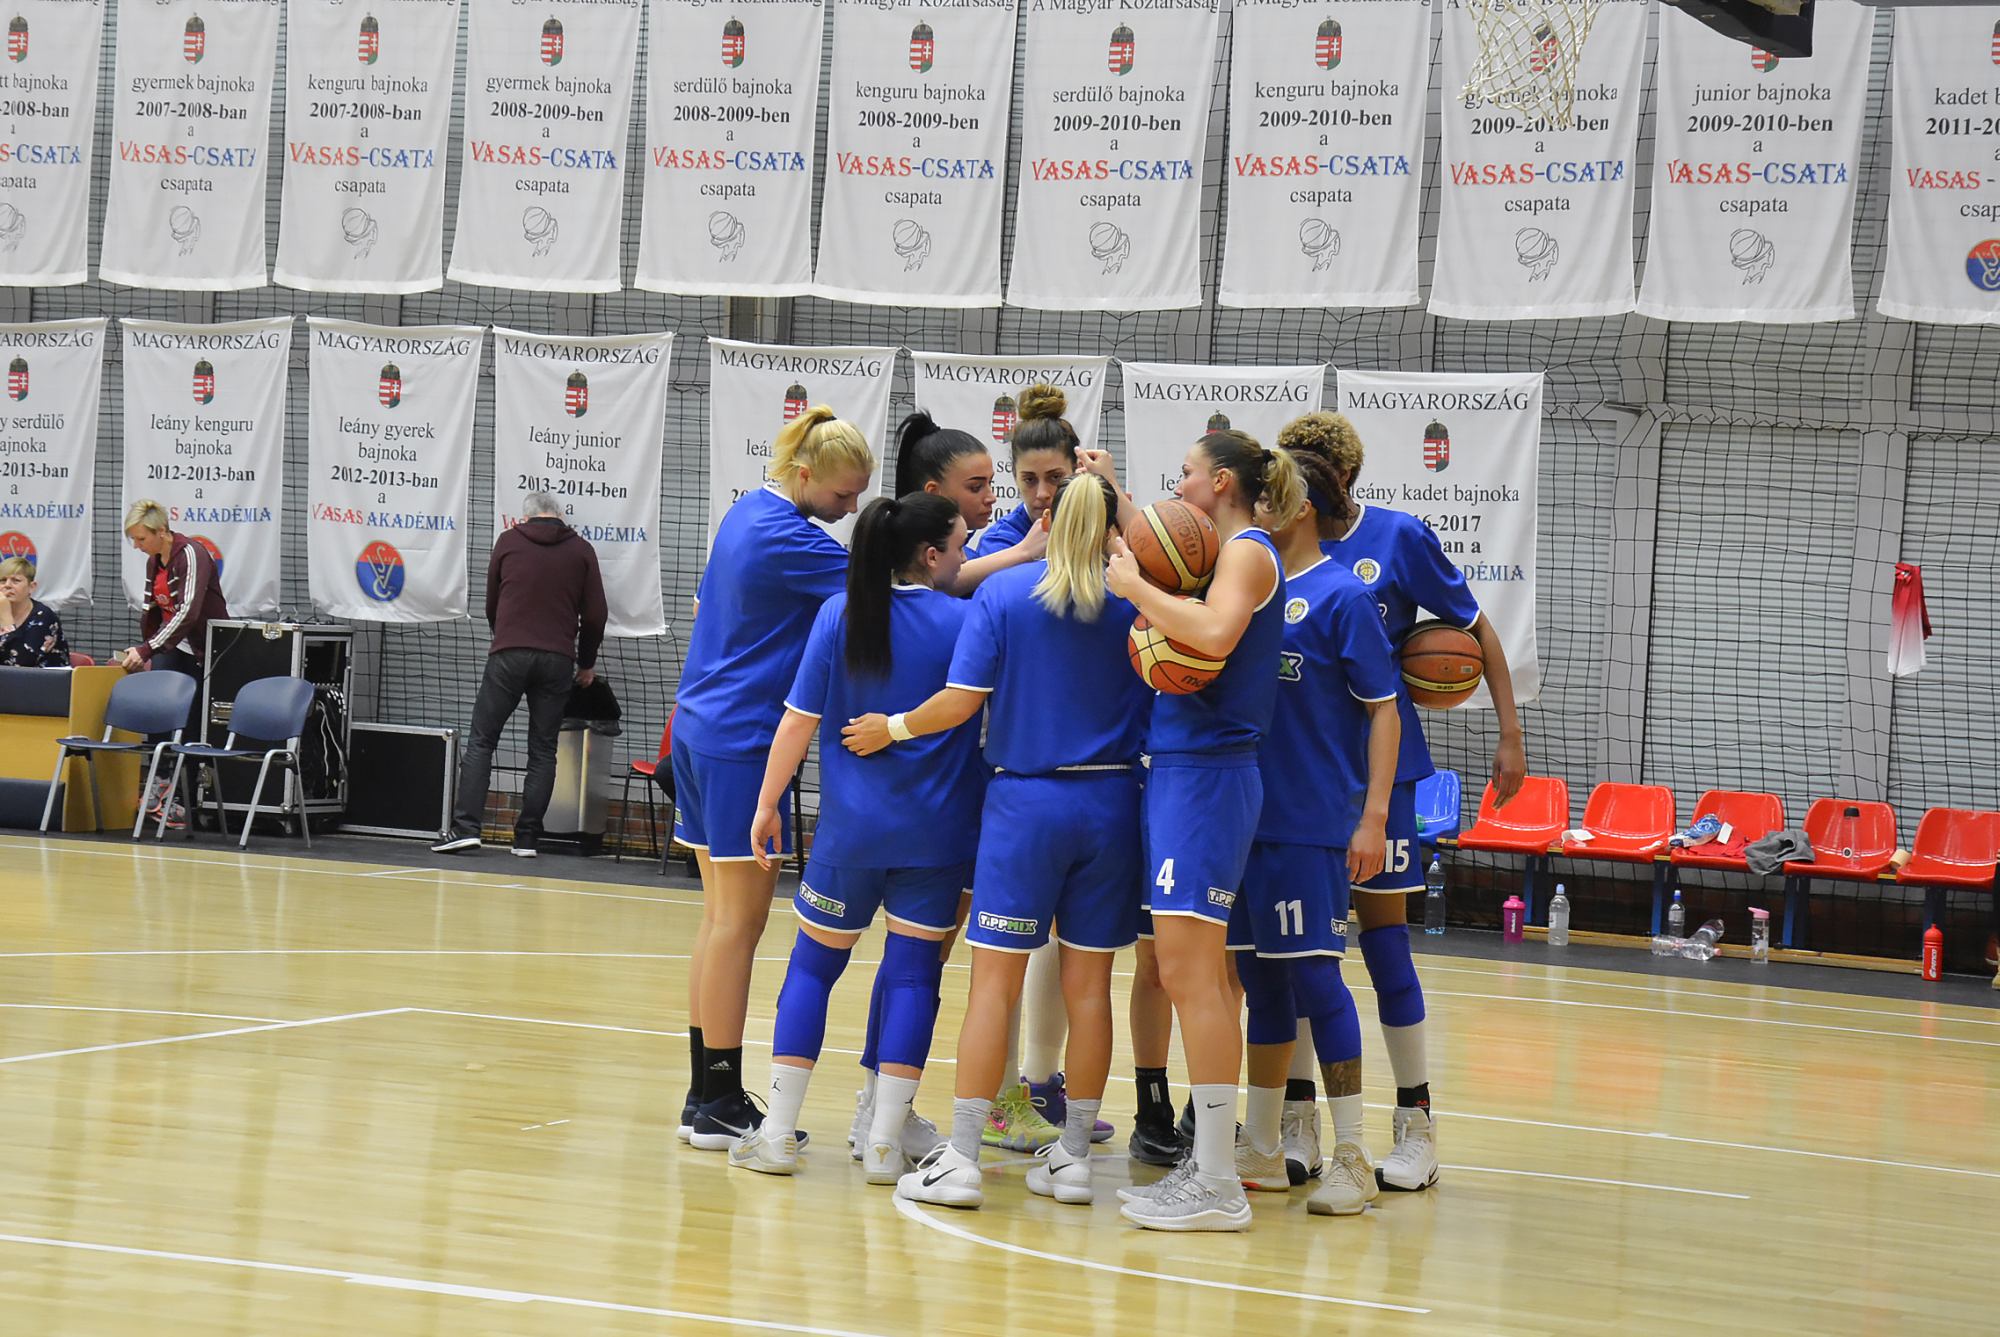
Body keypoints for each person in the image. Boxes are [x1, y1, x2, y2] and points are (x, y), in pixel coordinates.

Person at [843, 474, 1150, 1210]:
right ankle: (1074, 1160)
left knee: (994, 986)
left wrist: (893, 726)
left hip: (1025, 807)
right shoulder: (1138, 604)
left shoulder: (1005, 595)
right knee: (1090, 991)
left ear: (1046, 520)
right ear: (1112, 528)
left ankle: (963, 1158)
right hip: (1113, 803)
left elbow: (960, 702)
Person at [1278, 410, 1527, 1193]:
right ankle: (1296, 1118)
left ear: (1342, 478)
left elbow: (1476, 631)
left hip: (1382, 773)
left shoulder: (1398, 538)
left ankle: (1416, 1123)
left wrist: (1509, 733)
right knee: (1297, 952)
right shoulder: (1272, 544)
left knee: (1384, 944)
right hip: (1299, 772)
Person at [726, 493, 982, 1178]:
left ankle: (778, 1135)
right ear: (930, 555)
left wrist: (767, 804)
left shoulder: (839, 613)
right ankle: (884, 1145)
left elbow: (797, 720)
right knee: (914, 978)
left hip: (850, 835)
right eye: (961, 546)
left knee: (811, 970)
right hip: (937, 836)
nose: (966, 559)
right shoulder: (965, 621)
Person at [1106, 429, 1304, 1232]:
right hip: (1187, 773)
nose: (1179, 483)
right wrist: (1116, 497)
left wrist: (1135, 590)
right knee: (1203, 974)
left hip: (1209, 776)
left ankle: (1218, 1178)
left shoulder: (1249, 551)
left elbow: (1216, 635)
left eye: (1186, 471)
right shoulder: (1222, 554)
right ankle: (1213, 1163)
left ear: (1221, 481)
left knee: (1190, 974)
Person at [673, 407, 875, 1150]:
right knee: (739, 924)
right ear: (805, 474)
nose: (848, 508)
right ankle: (721, 1099)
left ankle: (705, 1094)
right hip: (739, 741)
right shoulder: (791, 537)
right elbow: (893, 589)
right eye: (842, 494)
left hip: (698, 726)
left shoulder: (744, 514)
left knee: (717, 919)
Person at [1225, 447, 1402, 1218]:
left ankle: (1353, 1153)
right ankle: (1263, 1147)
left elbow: (1385, 712)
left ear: (1299, 507)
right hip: (1240, 819)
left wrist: (1374, 816)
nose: (1252, 509)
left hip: (1311, 824)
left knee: (1317, 981)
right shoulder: (1245, 583)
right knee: (1261, 983)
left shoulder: (1342, 596)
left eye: (1266, 497)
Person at [432, 491, 607, 859]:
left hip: (509, 652)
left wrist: (504, 635)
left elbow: (491, 602)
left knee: (482, 740)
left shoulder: (508, 541)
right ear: (560, 515)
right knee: (543, 749)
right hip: (557, 659)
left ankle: (466, 829)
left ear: (525, 517)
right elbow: (595, 615)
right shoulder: (582, 550)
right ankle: (527, 838)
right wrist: (586, 662)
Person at [119, 499, 230, 824]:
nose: (137, 546)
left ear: (162, 531)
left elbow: (188, 612)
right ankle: (160, 781)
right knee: (159, 711)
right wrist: (147, 649)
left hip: (203, 651)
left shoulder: (192, 554)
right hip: (170, 646)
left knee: (190, 723)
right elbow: (153, 611)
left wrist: (147, 649)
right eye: (134, 540)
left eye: (141, 539)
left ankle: (184, 800)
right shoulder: (154, 562)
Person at [0, 556, 70, 667]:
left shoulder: (43, 617)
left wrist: (6, 618)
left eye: (16, 580)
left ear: (31, 587)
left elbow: (21, 662)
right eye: (3, 580)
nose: (7, 585)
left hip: (43, 676)